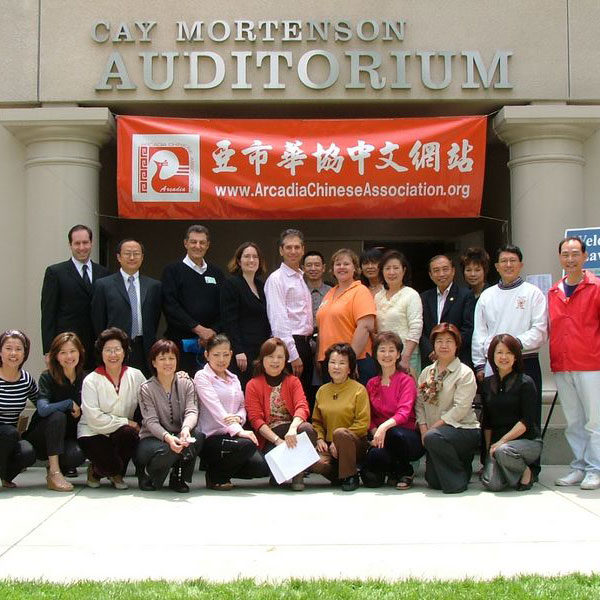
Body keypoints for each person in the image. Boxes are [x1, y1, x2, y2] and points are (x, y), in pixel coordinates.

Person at [472, 244, 547, 478]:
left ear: (521, 264)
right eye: (503, 261)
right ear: (496, 266)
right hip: (494, 365)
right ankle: (490, 462)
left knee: (528, 415)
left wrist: (511, 346)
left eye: (513, 261)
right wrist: (480, 364)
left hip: (526, 360)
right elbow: (479, 333)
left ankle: (530, 468)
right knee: (493, 416)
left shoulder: (533, 293)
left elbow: (540, 330)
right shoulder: (487, 296)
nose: (508, 265)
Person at [549, 237, 600, 490]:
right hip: (562, 363)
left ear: (585, 257)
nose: (570, 259)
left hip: (591, 363)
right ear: (560, 258)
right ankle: (579, 466)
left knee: (594, 421)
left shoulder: (596, 287)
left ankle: (595, 468)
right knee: (573, 420)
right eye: (565, 254)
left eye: (575, 254)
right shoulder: (554, 291)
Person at [194, 334, 269, 490]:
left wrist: (240, 419)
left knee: (261, 467)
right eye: (216, 355)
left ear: (231, 354)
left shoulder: (234, 378)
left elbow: (242, 405)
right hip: (212, 436)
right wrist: (239, 431)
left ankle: (219, 469)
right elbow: (215, 408)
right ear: (207, 355)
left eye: (225, 354)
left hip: (232, 434)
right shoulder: (202, 377)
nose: (221, 359)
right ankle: (216, 476)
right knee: (247, 444)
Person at [245, 337, 317, 491]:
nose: (275, 361)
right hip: (269, 437)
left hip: (291, 433)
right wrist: (277, 440)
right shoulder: (253, 385)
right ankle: (280, 473)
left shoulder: (293, 381)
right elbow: (256, 420)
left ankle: (297, 476)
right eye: (270, 356)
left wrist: (293, 429)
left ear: (286, 360)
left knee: (307, 429)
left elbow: (302, 407)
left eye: (280, 357)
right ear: (262, 359)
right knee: (262, 466)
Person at [77, 327, 145, 490]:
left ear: (124, 351)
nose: (113, 354)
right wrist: (126, 421)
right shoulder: (91, 380)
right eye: (108, 350)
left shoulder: (135, 375)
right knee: (112, 464)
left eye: (117, 349)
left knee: (130, 434)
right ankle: (105, 471)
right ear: (101, 353)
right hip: (93, 432)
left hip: (120, 432)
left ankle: (104, 472)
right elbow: (94, 418)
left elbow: (151, 394)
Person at [416, 323, 480, 493]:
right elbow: (419, 404)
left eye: (449, 341)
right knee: (433, 481)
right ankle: (461, 467)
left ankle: (457, 482)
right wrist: (423, 429)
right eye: (439, 341)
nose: (443, 345)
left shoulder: (464, 373)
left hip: (463, 429)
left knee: (434, 438)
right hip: (434, 434)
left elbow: (460, 408)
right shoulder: (427, 372)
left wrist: (432, 430)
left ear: (456, 345)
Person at [137, 339, 204, 493]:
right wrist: (168, 437)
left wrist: (186, 429)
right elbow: (151, 421)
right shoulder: (146, 388)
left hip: (179, 433)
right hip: (153, 439)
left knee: (197, 436)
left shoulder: (187, 383)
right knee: (169, 448)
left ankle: (178, 477)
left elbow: (192, 410)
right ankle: (148, 474)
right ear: (154, 363)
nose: (167, 362)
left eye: (171, 358)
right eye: (162, 359)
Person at [23, 332, 86, 492]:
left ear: (80, 352)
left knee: (76, 455)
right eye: (63, 352)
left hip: (66, 437)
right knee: (57, 416)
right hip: (41, 437)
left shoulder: (85, 379)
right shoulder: (48, 377)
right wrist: (68, 403)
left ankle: (60, 466)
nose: (69, 356)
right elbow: (43, 409)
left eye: (72, 351)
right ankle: (54, 472)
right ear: (56, 356)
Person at [41, 224, 110, 369]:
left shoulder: (103, 273)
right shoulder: (56, 273)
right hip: (67, 347)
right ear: (70, 245)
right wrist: (48, 350)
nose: (82, 247)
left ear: (91, 243)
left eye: (85, 242)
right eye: (77, 243)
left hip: (96, 346)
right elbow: (48, 314)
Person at [362, 332, 424, 489]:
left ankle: (405, 471)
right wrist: (375, 431)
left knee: (395, 434)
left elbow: (404, 413)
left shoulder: (406, 381)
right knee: (371, 478)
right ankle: (393, 471)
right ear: (375, 354)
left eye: (391, 350)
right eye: (382, 350)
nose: (387, 355)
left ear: (398, 354)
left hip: (405, 436)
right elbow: (368, 415)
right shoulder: (372, 383)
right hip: (381, 437)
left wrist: (383, 427)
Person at [480, 334, 542, 492]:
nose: (504, 357)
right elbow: (487, 422)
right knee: (492, 484)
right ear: (492, 356)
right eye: (499, 352)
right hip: (498, 446)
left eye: (509, 353)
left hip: (526, 442)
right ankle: (510, 472)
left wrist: (502, 441)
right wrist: (488, 451)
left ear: (516, 357)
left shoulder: (526, 382)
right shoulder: (486, 384)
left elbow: (526, 421)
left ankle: (526, 471)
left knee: (504, 451)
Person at [92, 239, 162, 376]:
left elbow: (155, 317)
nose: (132, 257)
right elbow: (98, 319)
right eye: (127, 253)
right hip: (116, 348)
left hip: (144, 347)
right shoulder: (103, 285)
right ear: (119, 257)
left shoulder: (154, 286)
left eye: (136, 253)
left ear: (142, 257)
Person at [162, 225, 225, 376]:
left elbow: (224, 307)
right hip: (180, 345)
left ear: (208, 245)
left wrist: (212, 332)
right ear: (185, 243)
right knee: (182, 385)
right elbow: (170, 306)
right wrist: (198, 329)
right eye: (193, 242)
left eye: (202, 242)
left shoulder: (217, 273)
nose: (198, 246)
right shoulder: (172, 271)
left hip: (211, 345)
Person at [311, 343, 370, 492]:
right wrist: (320, 438)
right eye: (332, 362)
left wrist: (338, 440)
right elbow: (317, 421)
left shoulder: (359, 390)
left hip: (353, 443)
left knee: (340, 434)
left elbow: (363, 423)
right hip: (329, 445)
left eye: (342, 363)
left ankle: (350, 476)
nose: (336, 367)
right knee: (313, 463)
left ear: (349, 368)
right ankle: (338, 475)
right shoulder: (322, 391)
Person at [264, 229, 313, 398]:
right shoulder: (276, 279)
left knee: (303, 396)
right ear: (281, 250)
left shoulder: (300, 277)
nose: (293, 251)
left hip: (305, 344)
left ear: (303, 249)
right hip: (289, 345)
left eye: (297, 247)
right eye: (288, 247)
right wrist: (293, 355)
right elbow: (278, 320)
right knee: (288, 398)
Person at [316, 249, 376, 384]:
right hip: (330, 362)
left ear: (355, 268)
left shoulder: (360, 291)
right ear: (332, 269)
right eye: (338, 264)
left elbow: (365, 326)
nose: (341, 267)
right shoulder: (330, 293)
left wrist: (350, 360)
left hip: (355, 362)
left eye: (346, 264)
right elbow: (322, 329)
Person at [220, 242, 271, 389]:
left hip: (261, 350)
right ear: (238, 261)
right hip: (242, 352)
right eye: (247, 256)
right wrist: (238, 350)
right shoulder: (231, 284)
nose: (251, 260)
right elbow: (230, 321)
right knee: (244, 389)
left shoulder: (262, 286)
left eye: (255, 257)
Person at [420, 254, 474, 368]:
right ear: (430, 275)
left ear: (453, 271)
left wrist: (450, 349)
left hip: (458, 358)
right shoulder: (424, 297)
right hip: (431, 360)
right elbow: (421, 329)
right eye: (436, 270)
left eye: (445, 269)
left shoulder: (465, 295)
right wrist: (431, 350)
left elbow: (468, 328)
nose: (441, 274)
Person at [374, 250, 423, 376]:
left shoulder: (411, 295)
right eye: (387, 268)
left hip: (406, 356)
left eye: (396, 268)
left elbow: (416, 327)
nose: (391, 272)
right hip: (383, 357)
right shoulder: (378, 297)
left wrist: (405, 357)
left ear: (404, 270)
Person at [0, 330, 37, 488]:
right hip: (7, 434)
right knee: (9, 432)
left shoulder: (26, 379)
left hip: (9, 438)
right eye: (8, 348)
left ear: (24, 354)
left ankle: (5, 477)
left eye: (18, 349)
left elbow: (41, 403)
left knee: (28, 452)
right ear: (0, 352)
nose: (13, 353)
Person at [302, 250, 332, 409]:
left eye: (317, 265)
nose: (313, 268)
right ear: (303, 268)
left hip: (326, 343)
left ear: (324, 267)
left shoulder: (333, 291)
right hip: (303, 344)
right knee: (305, 387)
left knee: (326, 386)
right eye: (309, 265)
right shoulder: (297, 290)